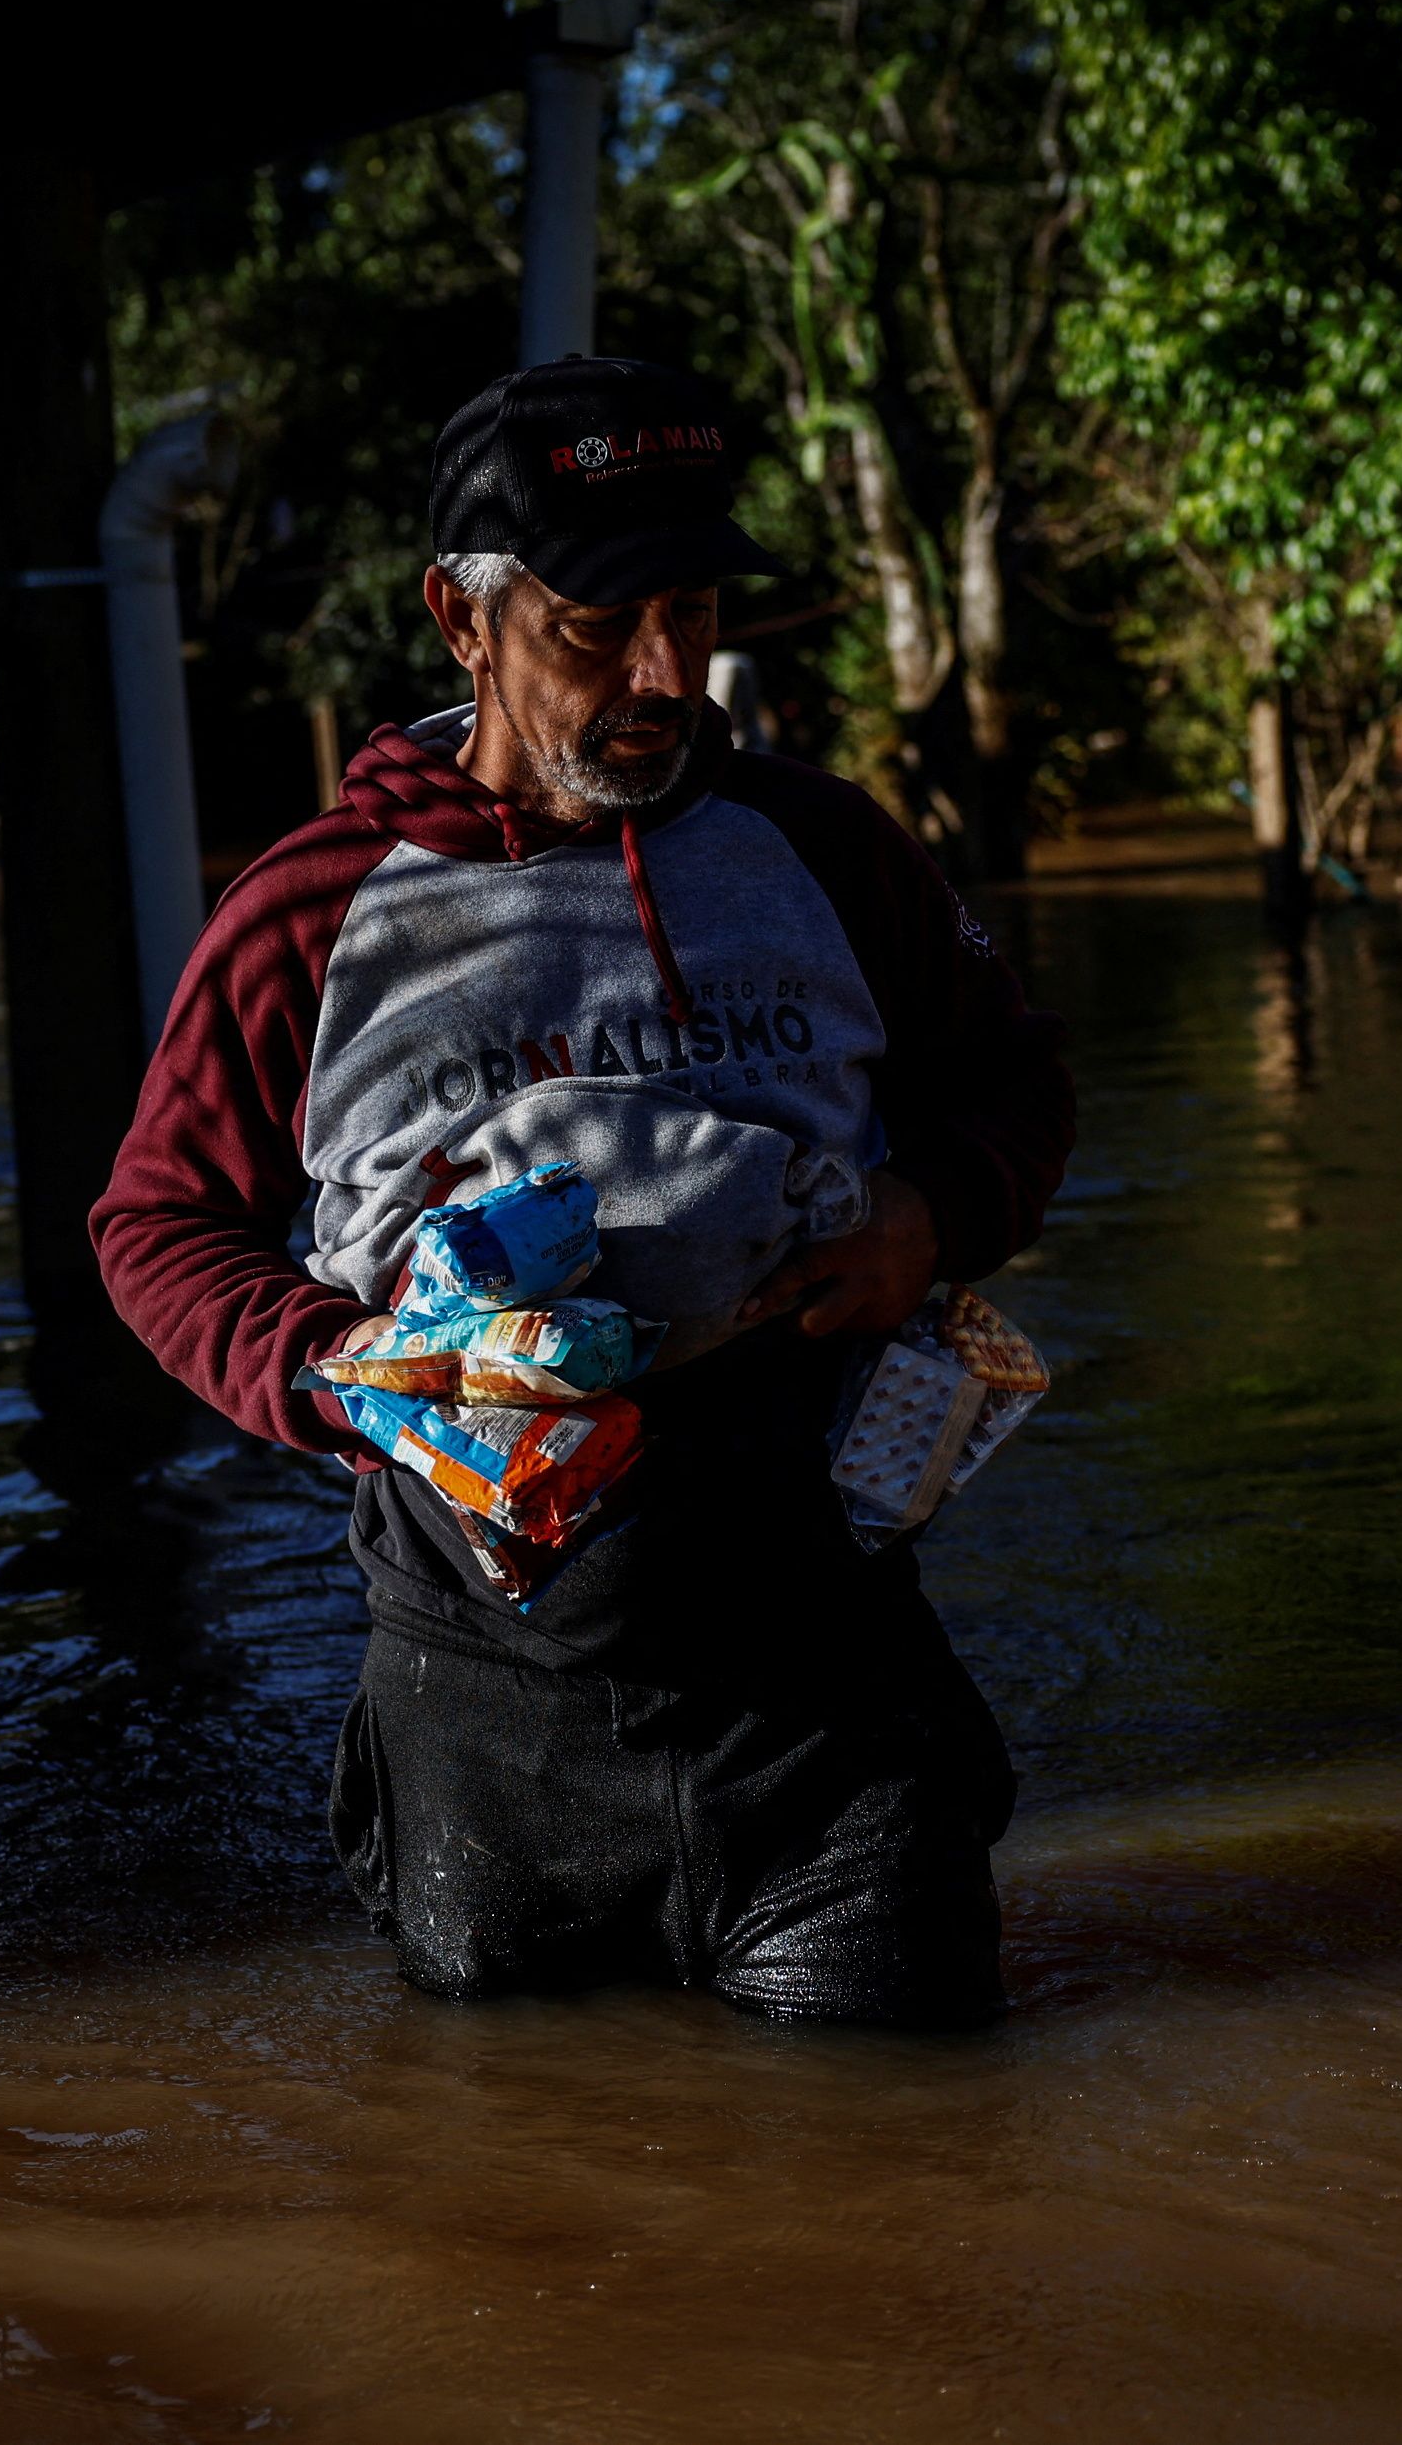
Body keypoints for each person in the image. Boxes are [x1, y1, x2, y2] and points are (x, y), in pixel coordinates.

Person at [91, 356, 1072, 2027]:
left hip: (819, 1692)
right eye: (597, 623)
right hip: (490, 1711)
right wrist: (336, 1369)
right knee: (524, 2234)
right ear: (461, 624)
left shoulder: (828, 851)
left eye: (689, 611)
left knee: (912, 2182)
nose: (668, 673)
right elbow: (155, 1225)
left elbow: (1018, 1083)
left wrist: (934, 1213)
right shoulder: (308, 915)